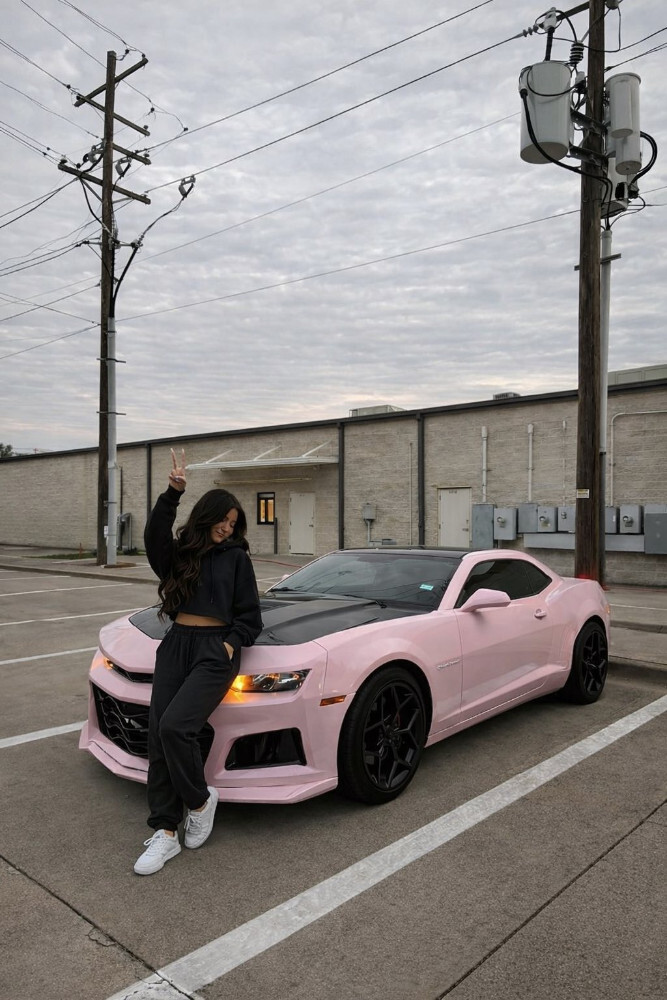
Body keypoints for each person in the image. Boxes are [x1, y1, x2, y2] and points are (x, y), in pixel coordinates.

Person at [134, 448, 263, 875]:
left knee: (176, 726)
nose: (227, 528)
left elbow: (250, 617)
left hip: (214, 650)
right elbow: (154, 536)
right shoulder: (180, 554)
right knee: (159, 735)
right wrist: (172, 493)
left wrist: (229, 644)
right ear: (206, 517)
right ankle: (165, 831)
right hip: (177, 644)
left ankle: (201, 801)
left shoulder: (237, 558)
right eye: (222, 521)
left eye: (233, 524)